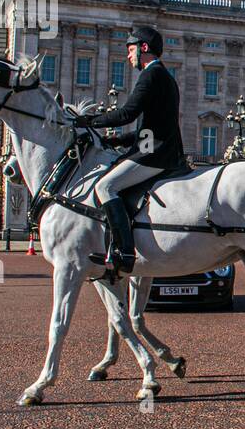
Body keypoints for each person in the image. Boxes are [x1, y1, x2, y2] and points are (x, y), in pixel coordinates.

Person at [73, 26, 184, 272]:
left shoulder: (150, 75)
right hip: (158, 148)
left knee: (105, 186)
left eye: (131, 49)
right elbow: (150, 127)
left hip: (154, 154)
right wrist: (117, 141)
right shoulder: (165, 77)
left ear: (144, 48)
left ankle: (122, 251)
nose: (128, 56)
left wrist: (88, 121)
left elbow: (127, 113)